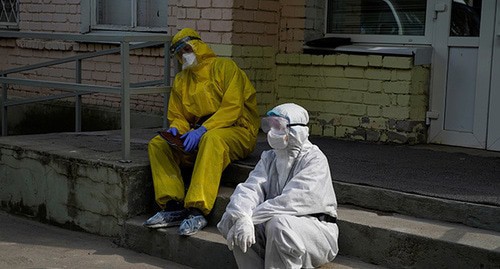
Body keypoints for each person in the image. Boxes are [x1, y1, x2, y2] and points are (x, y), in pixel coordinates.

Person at [144, 28, 260, 236]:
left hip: (237, 130)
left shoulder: (225, 67)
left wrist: (203, 130)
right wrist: (177, 130)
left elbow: (232, 108)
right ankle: (172, 205)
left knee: (212, 139)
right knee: (158, 144)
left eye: (187, 49)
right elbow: (178, 115)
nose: (184, 55)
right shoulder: (182, 80)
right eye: (179, 52)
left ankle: (197, 209)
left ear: (199, 45)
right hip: (200, 133)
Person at [217, 103, 339, 268]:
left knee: (279, 224)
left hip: (316, 231)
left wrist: (250, 218)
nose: (272, 132)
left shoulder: (314, 160)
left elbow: (290, 202)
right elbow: (251, 188)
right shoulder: (269, 158)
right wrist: (241, 216)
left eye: (278, 126)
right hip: (273, 223)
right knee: (234, 219)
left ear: (296, 129)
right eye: (270, 125)